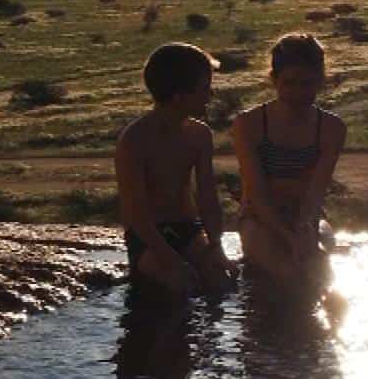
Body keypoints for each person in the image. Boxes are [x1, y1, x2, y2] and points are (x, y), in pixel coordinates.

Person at [115, 42, 235, 297]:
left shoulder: (200, 135)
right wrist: (171, 259)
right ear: (179, 97)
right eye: (205, 88)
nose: (211, 95)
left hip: (187, 228)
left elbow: (207, 197)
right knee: (179, 285)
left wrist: (216, 246)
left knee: (220, 283)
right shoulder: (134, 139)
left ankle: (211, 337)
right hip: (147, 235)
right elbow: (135, 213)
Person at [231, 33, 346, 293]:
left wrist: (304, 230)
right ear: (273, 80)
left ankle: (322, 334)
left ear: (320, 80)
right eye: (289, 83)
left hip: (307, 216)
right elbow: (257, 195)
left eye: (306, 84)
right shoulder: (249, 125)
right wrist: (288, 237)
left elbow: (316, 194)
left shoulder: (331, 128)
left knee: (322, 273)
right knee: (289, 273)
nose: (298, 93)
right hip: (258, 218)